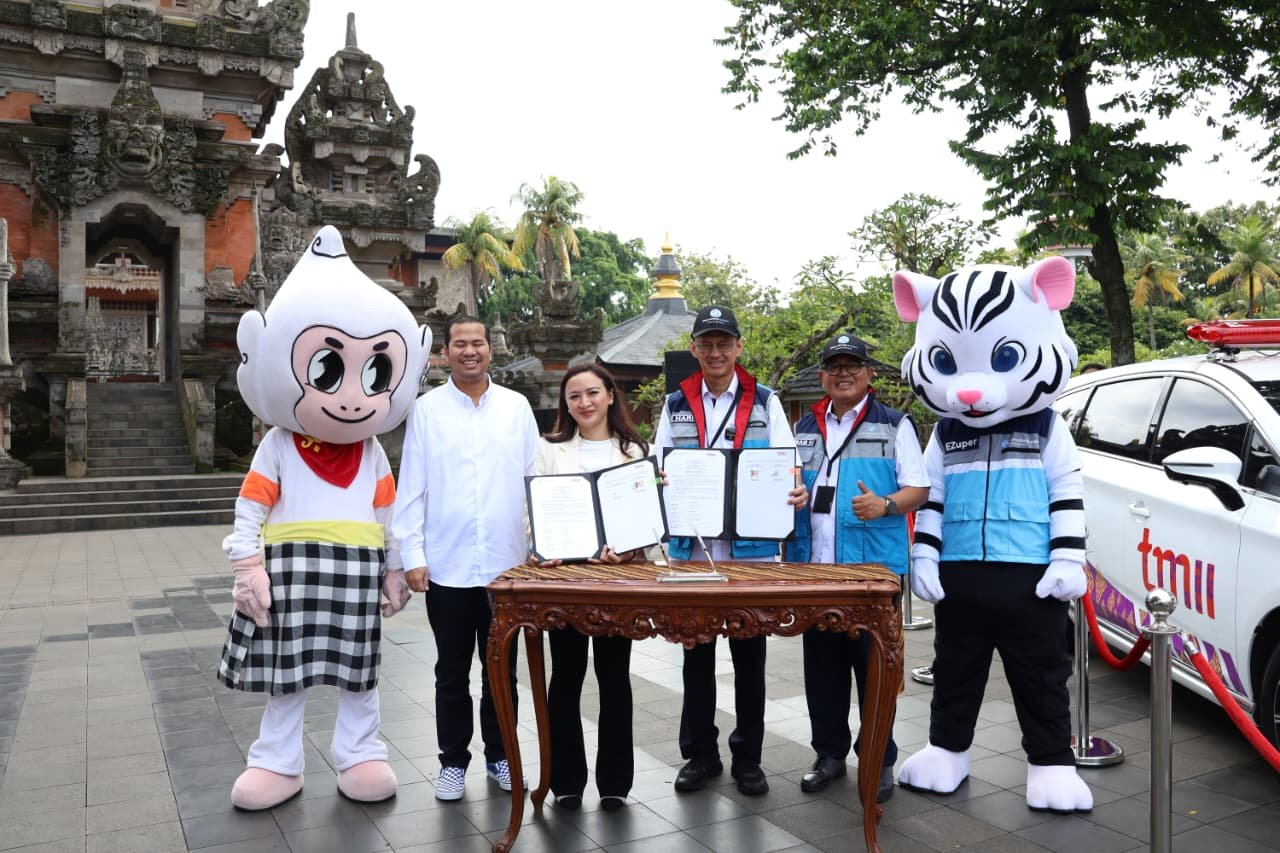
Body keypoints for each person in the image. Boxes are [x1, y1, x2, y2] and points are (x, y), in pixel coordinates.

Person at [218, 226, 431, 810]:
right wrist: (247, 566)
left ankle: (360, 753)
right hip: (290, 575)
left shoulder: (370, 452)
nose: (354, 398)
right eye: (331, 373)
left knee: (359, 675)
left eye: (374, 377)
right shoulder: (281, 445)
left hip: (356, 578)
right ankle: (276, 762)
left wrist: (394, 570)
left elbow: (386, 513)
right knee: (287, 676)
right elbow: (251, 505)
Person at [654, 304, 808, 797]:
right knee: (696, 655)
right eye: (707, 343)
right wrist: (661, 483)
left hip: (751, 551)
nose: (716, 352)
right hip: (695, 550)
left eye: (725, 343)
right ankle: (701, 755)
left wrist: (795, 489)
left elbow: (789, 466)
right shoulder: (675, 402)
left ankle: (749, 758)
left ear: (739, 347)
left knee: (749, 657)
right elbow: (660, 467)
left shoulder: (766, 401)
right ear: (694, 349)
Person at [391, 316, 540, 802]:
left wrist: (540, 547)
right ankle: (452, 761)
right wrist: (411, 554)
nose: (469, 351)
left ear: (490, 351)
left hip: (507, 568)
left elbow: (533, 483)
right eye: (460, 344)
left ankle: (501, 755)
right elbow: (411, 486)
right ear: (446, 352)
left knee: (503, 668)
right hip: (448, 566)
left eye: (477, 343)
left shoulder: (517, 409)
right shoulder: (427, 411)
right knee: (451, 671)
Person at [785, 334, 929, 803]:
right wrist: (796, 496)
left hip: (871, 573)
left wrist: (886, 504)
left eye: (853, 366)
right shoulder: (804, 426)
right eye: (834, 366)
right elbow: (789, 484)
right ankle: (828, 755)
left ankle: (879, 758)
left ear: (869, 374)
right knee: (821, 671)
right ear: (823, 375)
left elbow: (919, 489)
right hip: (818, 570)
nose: (843, 373)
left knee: (875, 670)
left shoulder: (894, 424)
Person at [527, 363, 651, 813]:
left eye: (593, 393)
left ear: (611, 396)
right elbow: (532, 512)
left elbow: (648, 519)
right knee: (566, 678)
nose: (584, 402)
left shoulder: (636, 450)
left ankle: (616, 781)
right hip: (568, 580)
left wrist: (631, 550)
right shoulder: (549, 449)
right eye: (574, 395)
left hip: (618, 582)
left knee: (615, 678)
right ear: (566, 403)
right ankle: (566, 780)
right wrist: (544, 549)